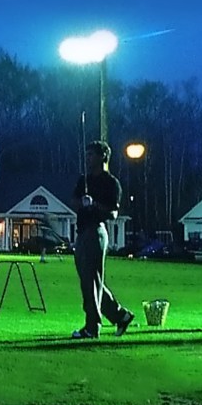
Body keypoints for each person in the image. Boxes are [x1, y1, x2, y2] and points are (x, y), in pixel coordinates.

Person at [70, 141, 135, 339]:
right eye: (87, 154)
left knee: (91, 282)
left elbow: (113, 213)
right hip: (82, 233)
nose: (88, 158)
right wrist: (82, 202)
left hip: (97, 231)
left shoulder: (110, 182)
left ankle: (92, 326)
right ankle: (120, 316)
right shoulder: (84, 180)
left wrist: (94, 206)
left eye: (92, 154)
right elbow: (72, 201)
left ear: (102, 157)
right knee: (90, 281)